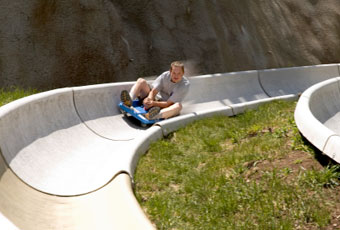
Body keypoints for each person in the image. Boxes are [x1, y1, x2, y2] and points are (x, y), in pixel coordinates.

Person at [120, 61, 190, 120]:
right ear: (170, 71)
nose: (176, 76)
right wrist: (149, 99)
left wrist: (153, 103)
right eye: (174, 73)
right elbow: (153, 91)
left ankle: (152, 115)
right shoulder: (165, 75)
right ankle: (129, 101)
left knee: (178, 106)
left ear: (183, 73)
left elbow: (168, 103)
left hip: (166, 107)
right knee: (141, 81)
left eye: (179, 73)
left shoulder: (184, 85)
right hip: (155, 100)